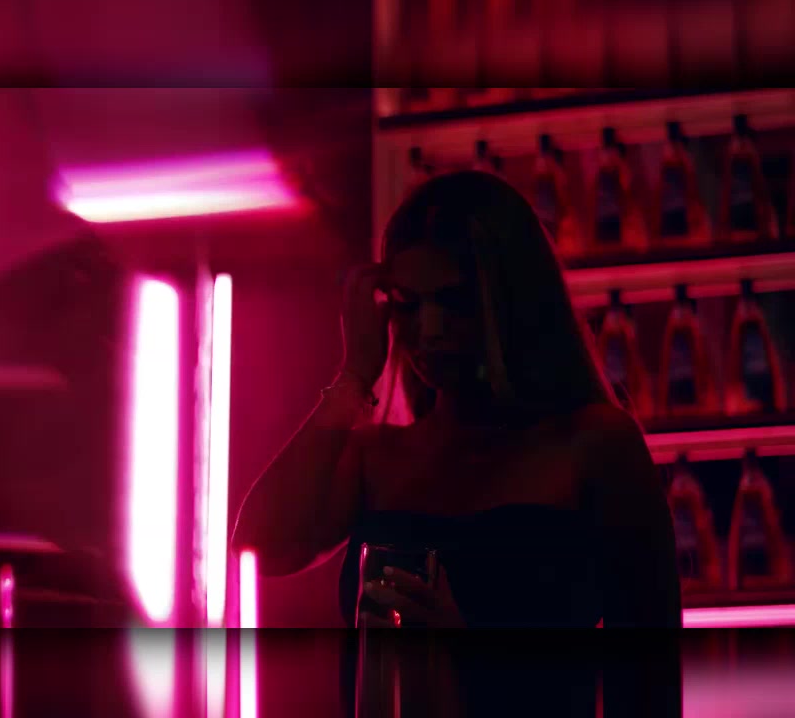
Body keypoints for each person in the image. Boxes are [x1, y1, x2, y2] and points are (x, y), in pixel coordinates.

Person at [232, 171, 682, 714]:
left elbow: (651, 689)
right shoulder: (379, 458)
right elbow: (260, 547)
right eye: (409, 304)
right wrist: (354, 374)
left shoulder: (594, 446)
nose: (430, 329)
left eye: (455, 301)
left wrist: (471, 665)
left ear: (511, 300)